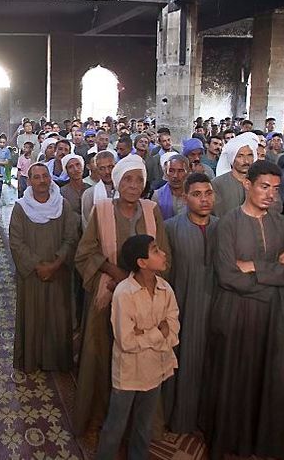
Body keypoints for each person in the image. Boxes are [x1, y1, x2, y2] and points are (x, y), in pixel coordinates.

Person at [199, 160, 284, 460]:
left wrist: (253, 268)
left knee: (269, 380)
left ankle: (261, 443)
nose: (271, 195)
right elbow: (227, 276)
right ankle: (228, 443)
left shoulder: (283, 223)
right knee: (233, 381)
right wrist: (276, 270)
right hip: (234, 314)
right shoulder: (227, 223)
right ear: (247, 185)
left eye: (275, 189)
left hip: (274, 317)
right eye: (264, 186)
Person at [72, 154, 169, 436]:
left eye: (139, 179)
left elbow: (164, 253)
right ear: (117, 182)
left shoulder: (151, 211)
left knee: (141, 354)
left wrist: (139, 280)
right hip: (108, 293)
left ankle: (140, 423)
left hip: (144, 297)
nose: (134, 185)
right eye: (127, 179)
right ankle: (101, 415)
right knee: (103, 353)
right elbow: (85, 252)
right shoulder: (101, 210)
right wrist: (119, 275)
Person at [95, 235, 179, 460]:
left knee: (144, 426)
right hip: (130, 372)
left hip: (155, 369)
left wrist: (148, 333)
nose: (162, 254)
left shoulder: (165, 289)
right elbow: (127, 341)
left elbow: (173, 328)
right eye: (155, 250)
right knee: (116, 425)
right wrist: (157, 333)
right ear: (142, 263)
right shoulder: (124, 293)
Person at [9, 163, 80, 372]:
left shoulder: (63, 205)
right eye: (36, 177)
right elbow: (16, 242)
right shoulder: (21, 207)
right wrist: (38, 266)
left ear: (51, 178)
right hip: (32, 275)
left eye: (45, 176)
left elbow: (71, 237)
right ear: (29, 180)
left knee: (58, 318)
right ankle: (32, 359)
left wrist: (56, 264)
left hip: (59, 273)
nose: (41, 181)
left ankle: (57, 360)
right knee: (33, 316)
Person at [162, 172, 217, 434]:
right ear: (185, 198)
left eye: (208, 193)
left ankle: (207, 420)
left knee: (212, 366)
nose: (204, 200)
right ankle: (179, 420)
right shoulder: (171, 227)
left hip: (216, 312)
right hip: (182, 310)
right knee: (181, 364)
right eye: (196, 194)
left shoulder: (223, 227)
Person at [211, 132, 260, 218]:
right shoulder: (217, 184)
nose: (246, 161)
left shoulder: (260, 182)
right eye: (240, 156)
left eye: (249, 155)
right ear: (232, 158)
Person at [80, 150, 117, 227]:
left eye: (110, 167)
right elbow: (87, 224)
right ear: (97, 170)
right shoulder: (89, 194)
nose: (107, 172)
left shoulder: (124, 190)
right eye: (102, 168)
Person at [152, 154, 191, 220]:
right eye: (171, 171)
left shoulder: (194, 195)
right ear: (166, 172)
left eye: (180, 171)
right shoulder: (157, 196)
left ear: (188, 172)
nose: (175, 175)